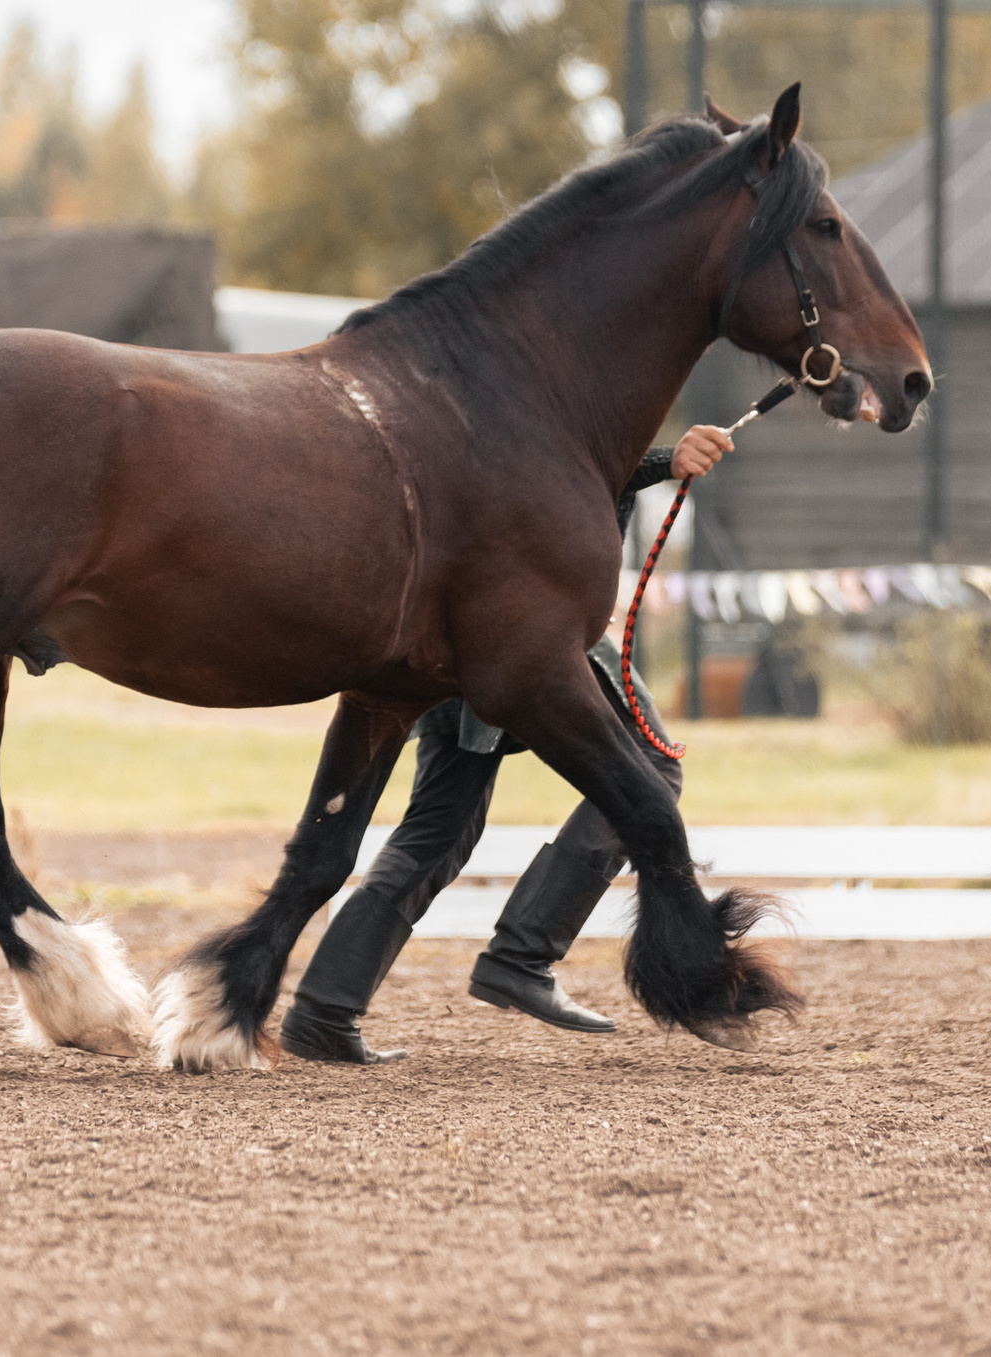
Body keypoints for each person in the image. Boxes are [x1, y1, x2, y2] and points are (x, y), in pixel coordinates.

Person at [279, 423, 737, 1065]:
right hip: (526, 624)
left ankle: (324, 1009)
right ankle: (523, 954)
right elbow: (559, 456)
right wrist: (663, 460)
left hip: (458, 620)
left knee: (439, 827)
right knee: (652, 768)